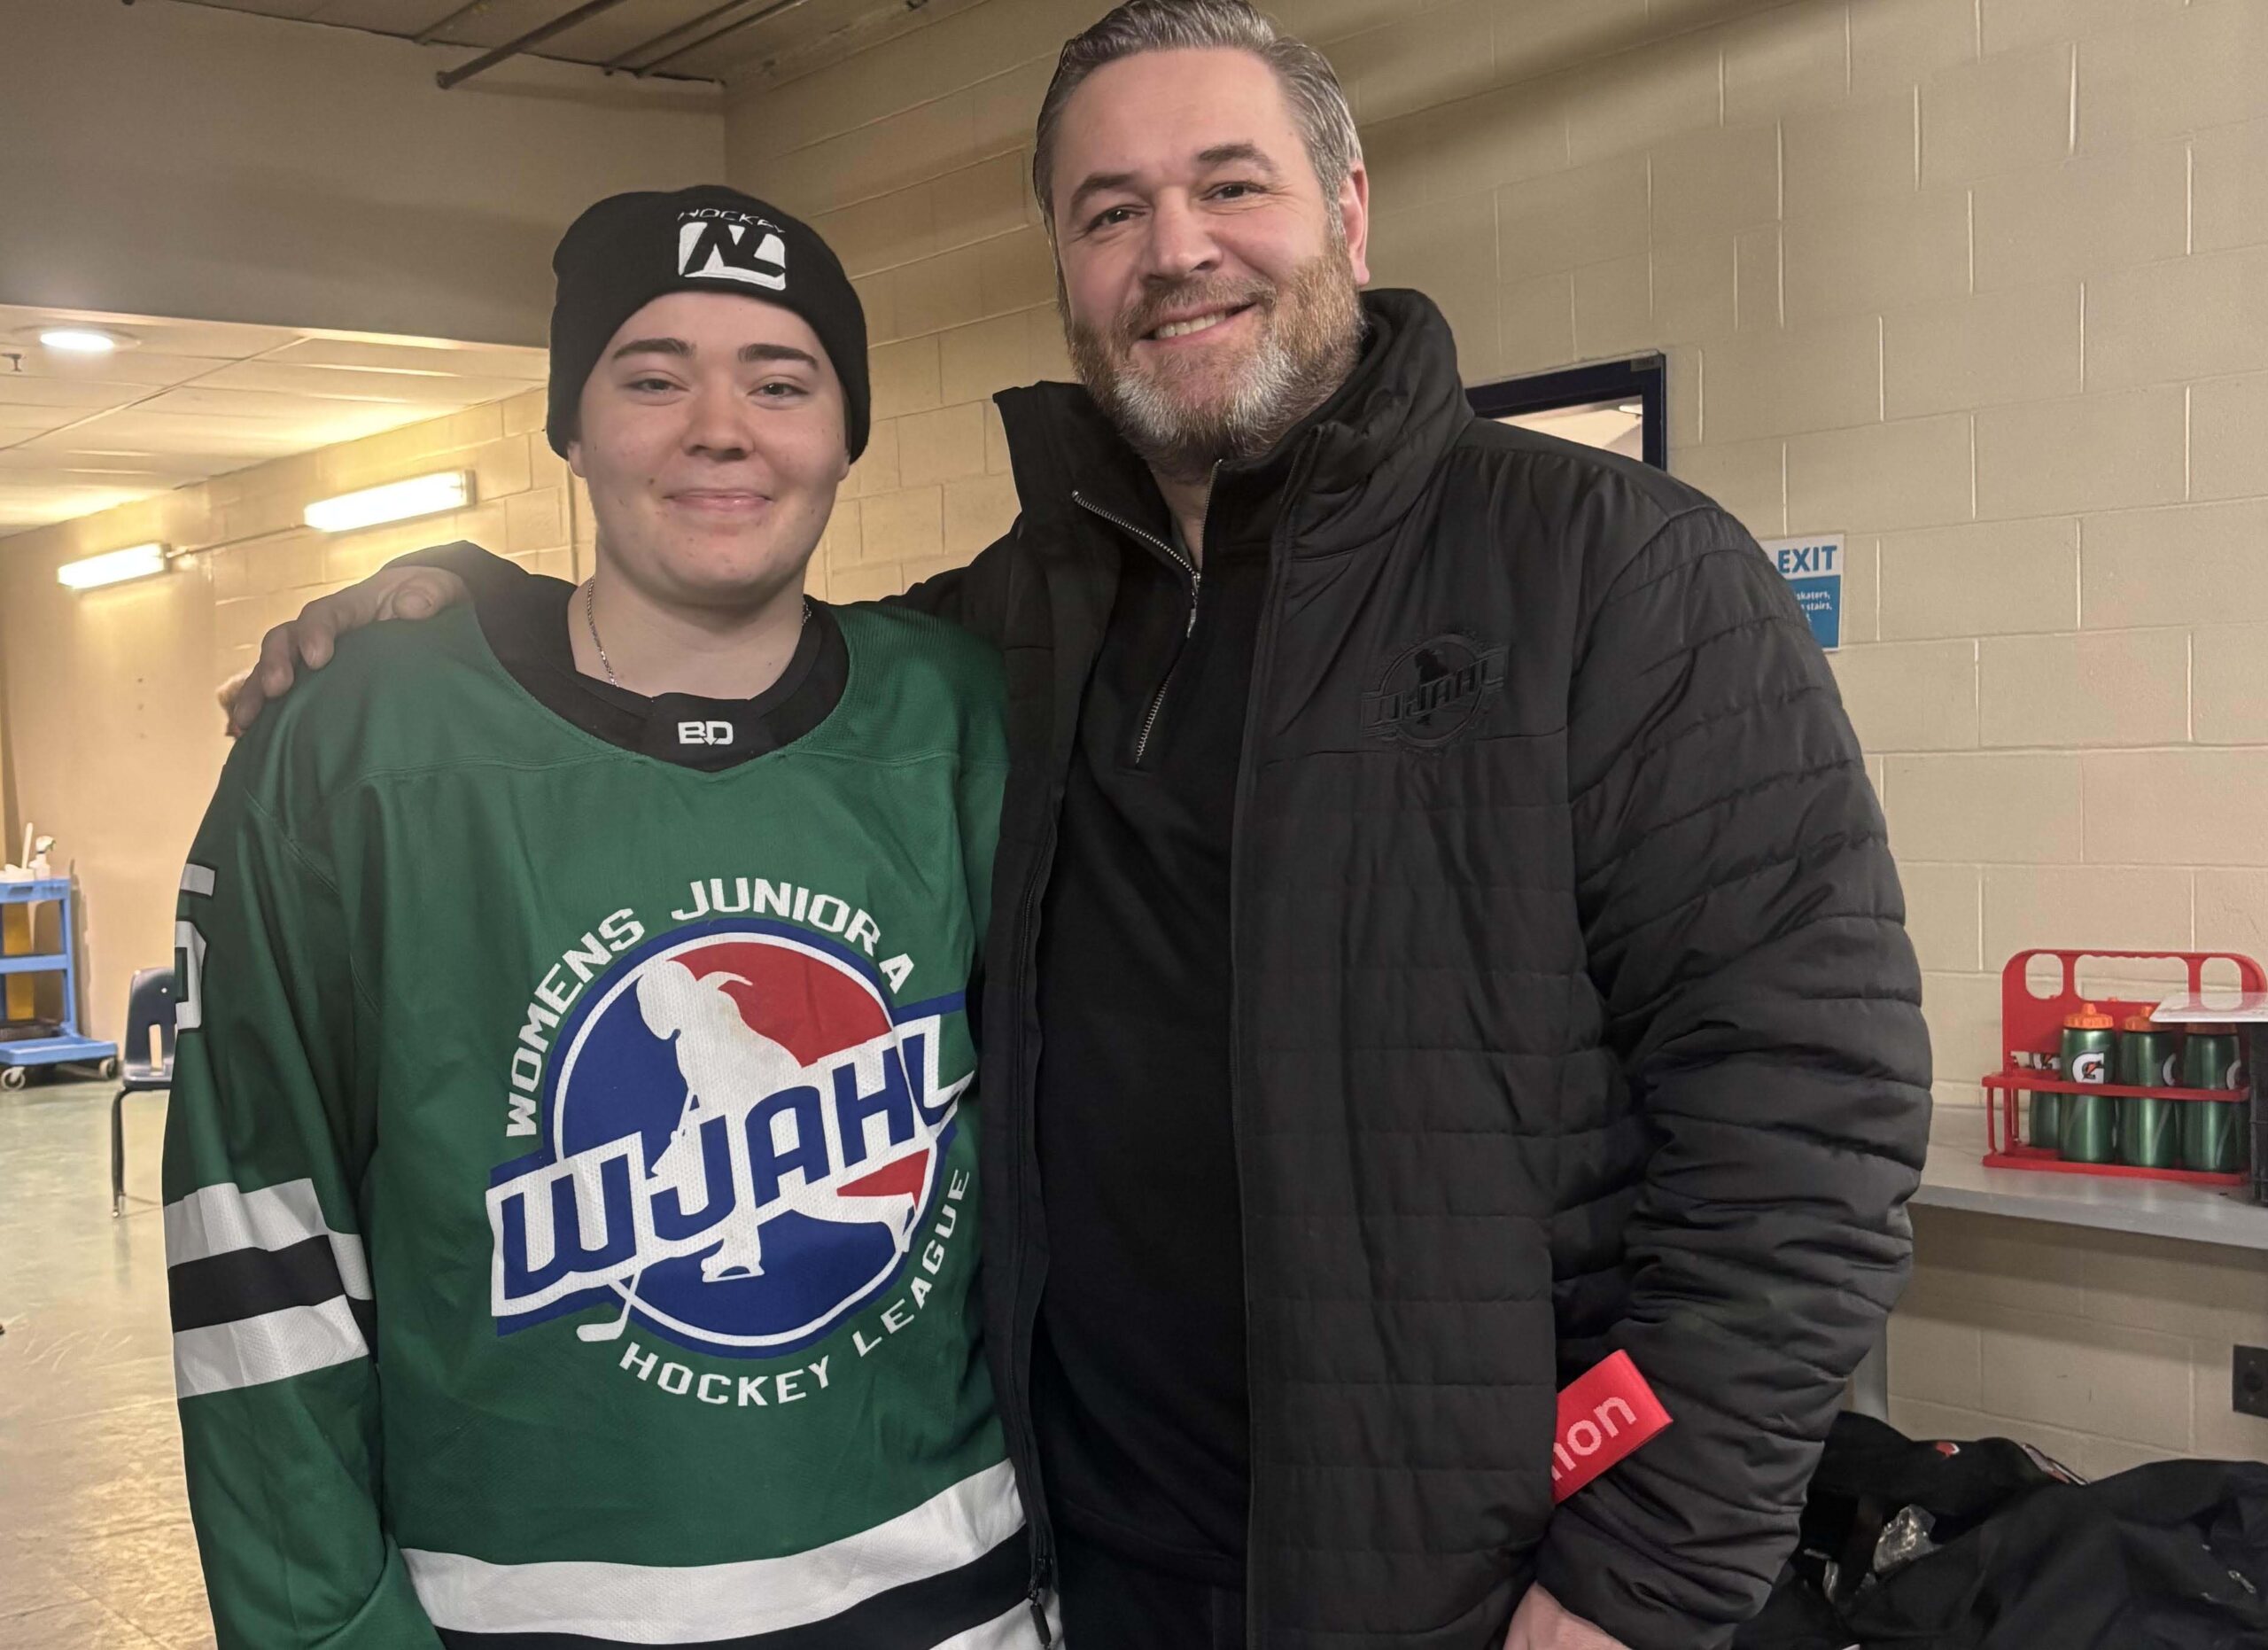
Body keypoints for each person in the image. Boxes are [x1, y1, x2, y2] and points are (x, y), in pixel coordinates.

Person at [229, 4, 1935, 1647]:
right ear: (1066, 267)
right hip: (1083, 1572)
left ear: (1346, 208)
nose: (1174, 248)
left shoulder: (1614, 572)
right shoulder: (1011, 631)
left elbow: (1812, 1113)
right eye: (1111, 212)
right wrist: (467, 619)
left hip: (1470, 1588)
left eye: (1230, 185)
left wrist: (1646, 1567)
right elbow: (728, 645)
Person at [164, 185, 1042, 1648]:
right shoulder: (352, 749)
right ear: (570, 425)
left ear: (845, 433)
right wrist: (325, 1627)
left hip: (954, 1592)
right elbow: (253, 1238)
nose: (720, 426)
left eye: (781, 379)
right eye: (651, 377)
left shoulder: (963, 712)